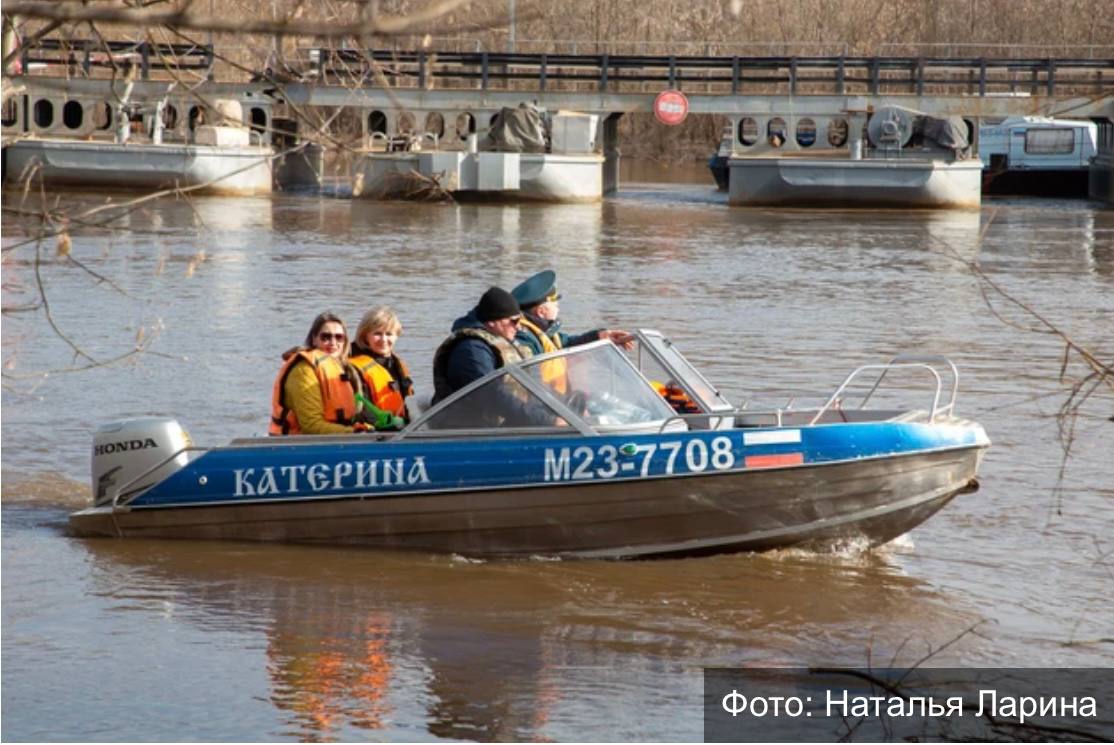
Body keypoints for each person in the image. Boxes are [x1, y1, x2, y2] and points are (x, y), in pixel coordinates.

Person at [431, 287, 561, 427]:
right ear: (493, 322)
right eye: (514, 321)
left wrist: (562, 405)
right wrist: (546, 420)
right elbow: (491, 394)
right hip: (474, 436)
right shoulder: (471, 350)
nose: (518, 327)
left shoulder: (502, 340)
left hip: (503, 427)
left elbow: (532, 385)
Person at [269, 312, 366, 436]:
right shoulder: (303, 370)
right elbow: (311, 426)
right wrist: (354, 433)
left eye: (339, 337)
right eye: (326, 337)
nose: (333, 342)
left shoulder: (345, 370)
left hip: (337, 438)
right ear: (314, 339)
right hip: (298, 446)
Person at [510, 269, 634, 357]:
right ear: (541, 312)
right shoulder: (523, 338)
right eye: (554, 301)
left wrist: (600, 336)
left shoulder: (545, 331)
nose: (558, 305)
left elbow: (568, 343)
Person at [349, 306, 413, 429]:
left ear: (397, 336)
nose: (384, 339)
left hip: (402, 431)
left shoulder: (397, 365)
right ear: (365, 336)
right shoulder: (354, 368)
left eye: (389, 334)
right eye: (377, 334)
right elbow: (360, 412)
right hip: (376, 435)